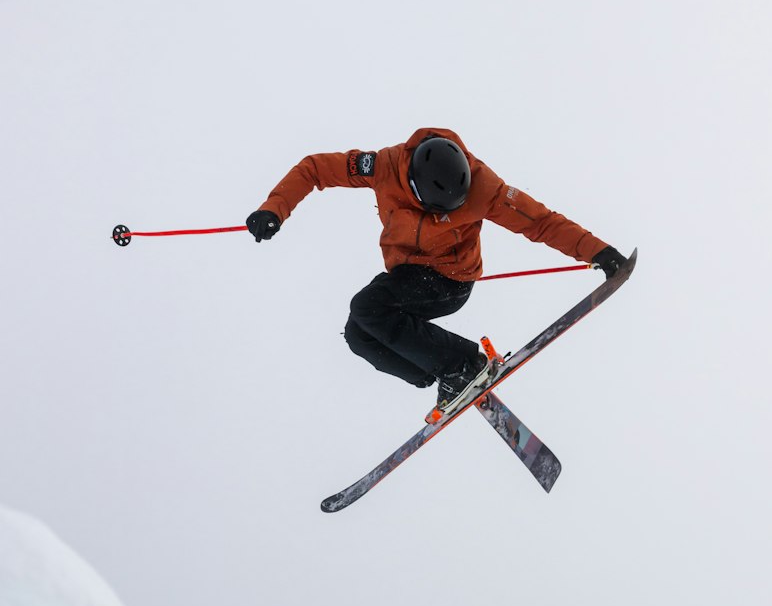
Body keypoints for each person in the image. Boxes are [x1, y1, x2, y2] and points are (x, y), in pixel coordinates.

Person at [247, 127, 626, 410]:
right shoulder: (382, 166)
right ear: (411, 184)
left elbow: (541, 222)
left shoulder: (486, 188)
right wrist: (273, 208)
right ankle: (441, 377)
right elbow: (315, 169)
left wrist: (600, 251)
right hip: (405, 277)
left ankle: (464, 364)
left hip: (449, 280)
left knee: (368, 308)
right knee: (358, 335)